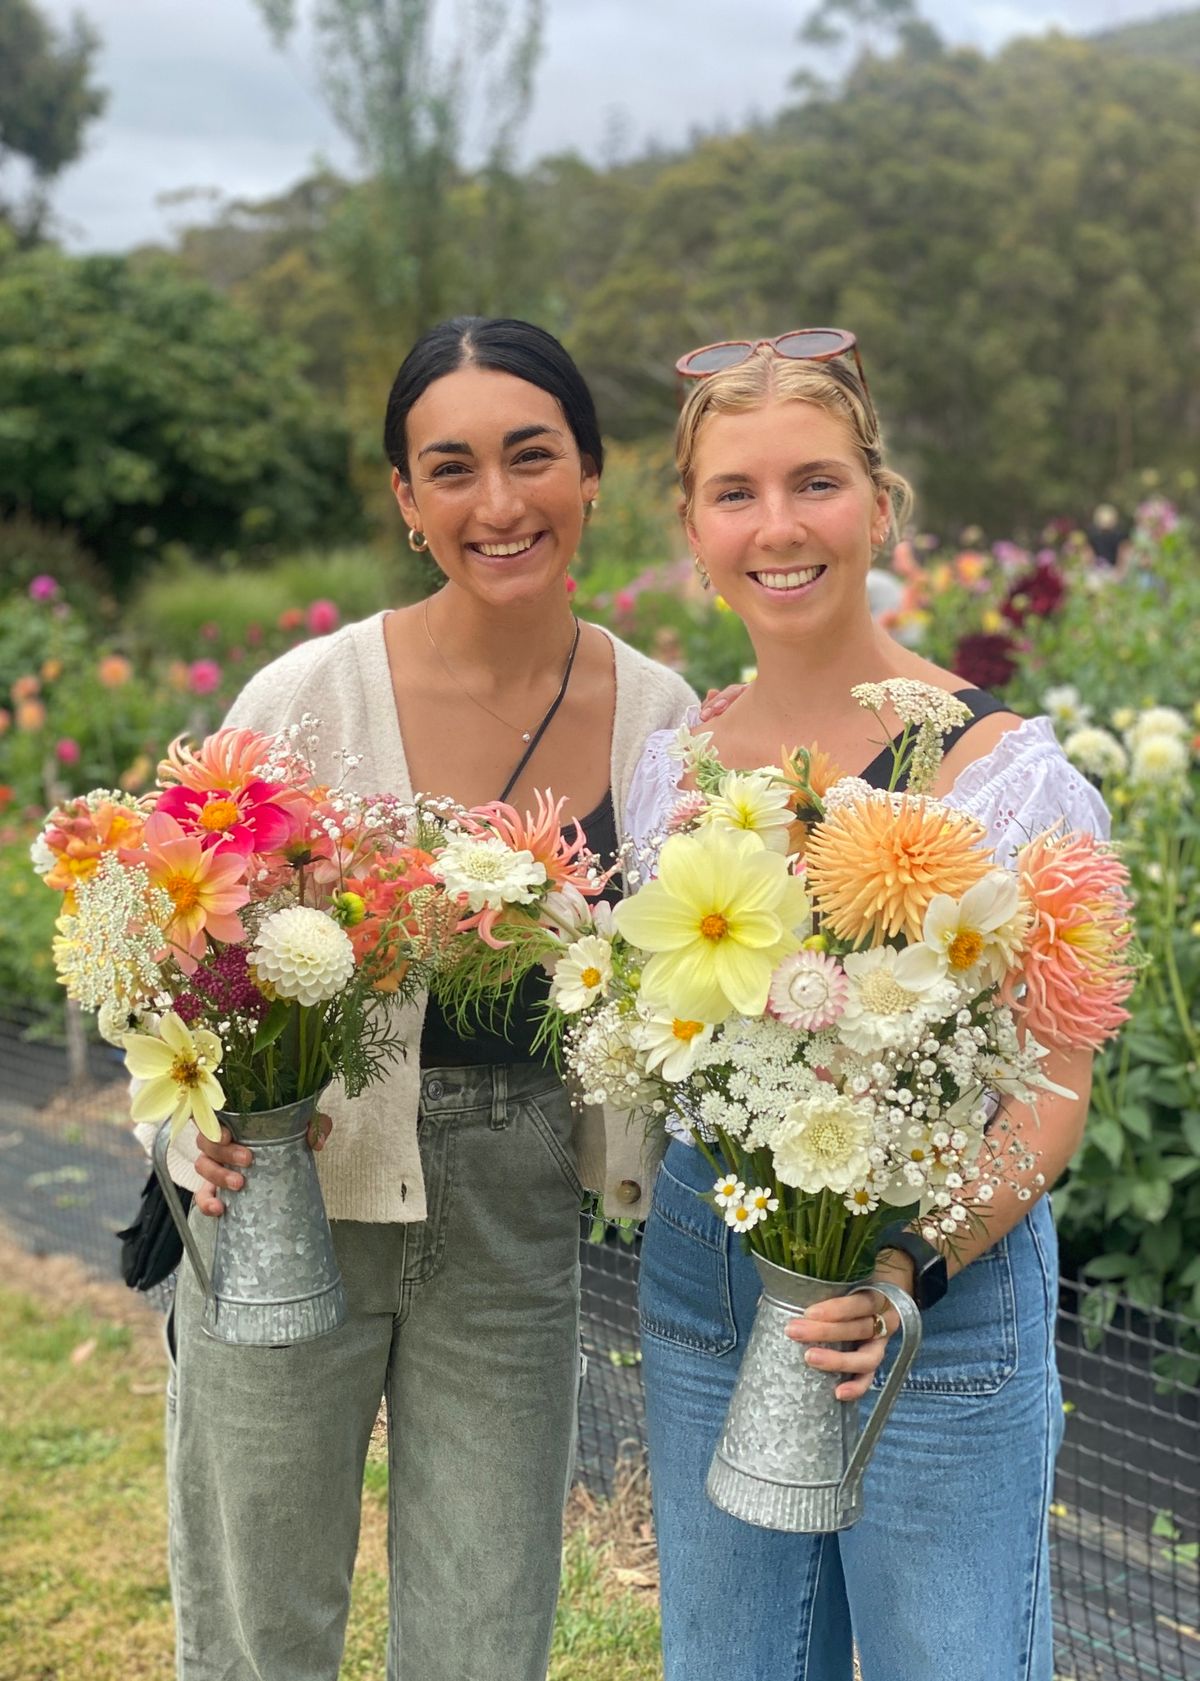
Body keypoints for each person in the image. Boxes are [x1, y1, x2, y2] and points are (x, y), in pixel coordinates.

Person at [146, 316, 696, 1681]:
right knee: (261, 1620)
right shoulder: (305, 699)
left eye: (532, 457)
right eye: (450, 468)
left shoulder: (661, 718)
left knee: (483, 1623)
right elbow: (172, 956)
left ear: (592, 472)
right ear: (404, 499)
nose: (497, 504)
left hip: (513, 1206)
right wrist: (190, 1132)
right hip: (293, 1188)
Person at [623, 332, 1110, 1681]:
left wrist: (905, 1272)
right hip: (712, 1270)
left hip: (934, 1290)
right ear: (692, 527)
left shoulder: (1008, 782)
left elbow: (1055, 1092)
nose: (778, 526)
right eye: (735, 492)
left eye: (816, 482)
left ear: (882, 504)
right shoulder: (672, 774)